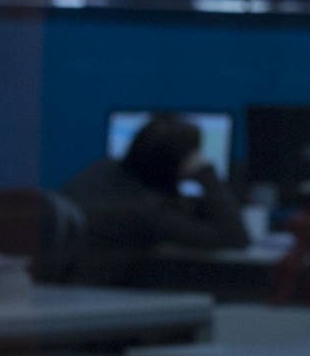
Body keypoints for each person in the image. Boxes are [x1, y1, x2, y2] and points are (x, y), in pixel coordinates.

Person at [63, 114, 249, 284]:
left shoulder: (104, 170)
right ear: (178, 165)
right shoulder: (147, 212)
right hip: (96, 297)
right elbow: (234, 237)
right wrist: (205, 173)